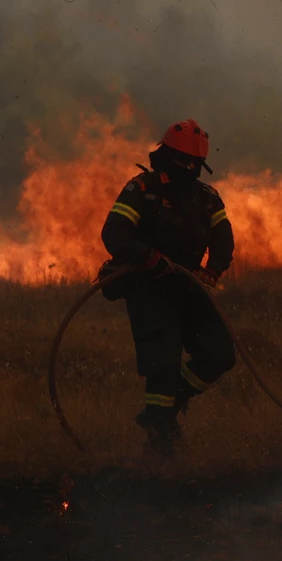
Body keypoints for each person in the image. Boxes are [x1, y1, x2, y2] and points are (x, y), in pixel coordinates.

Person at [98, 118, 236, 457]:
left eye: (194, 163)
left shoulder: (207, 198)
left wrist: (213, 271)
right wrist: (147, 257)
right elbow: (114, 233)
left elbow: (223, 240)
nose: (187, 168)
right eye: (181, 160)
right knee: (162, 363)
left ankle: (172, 403)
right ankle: (160, 441)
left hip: (189, 287)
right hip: (149, 287)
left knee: (220, 353)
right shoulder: (142, 189)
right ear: (166, 154)